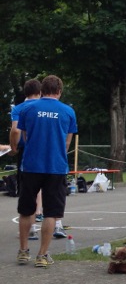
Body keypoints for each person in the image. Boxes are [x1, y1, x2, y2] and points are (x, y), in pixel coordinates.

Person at [16, 75, 78, 268]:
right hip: (56, 167)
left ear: (42, 90)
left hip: (31, 166)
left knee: (26, 210)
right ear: (59, 91)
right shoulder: (68, 111)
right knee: (51, 212)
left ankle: (23, 251)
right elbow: (67, 143)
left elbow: (25, 137)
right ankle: (42, 255)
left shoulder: (27, 109)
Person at [10, 79, 44, 234]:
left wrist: (14, 146)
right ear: (40, 92)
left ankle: (32, 226)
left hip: (27, 150)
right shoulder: (45, 107)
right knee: (47, 184)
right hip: (45, 148)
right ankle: (45, 216)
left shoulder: (19, 108)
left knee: (28, 187)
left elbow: (16, 130)